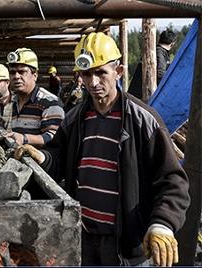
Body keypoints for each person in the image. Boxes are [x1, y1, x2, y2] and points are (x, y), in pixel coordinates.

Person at [14, 32, 190, 266]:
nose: (94, 82)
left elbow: (173, 180)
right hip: (83, 238)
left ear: (118, 72)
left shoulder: (142, 120)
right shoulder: (75, 119)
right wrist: (42, 157)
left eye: (101, 73)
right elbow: (59, 163)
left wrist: (162, 223)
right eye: (87, 74)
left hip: (127, 246)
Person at [5, 48, 64, 148]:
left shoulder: (49, 102)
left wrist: (25, 139)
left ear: (35, 75)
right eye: (12, 72)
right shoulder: (13, 102)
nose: (16, 76)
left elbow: (55, 137)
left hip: (41, 161)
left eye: (22, 72)